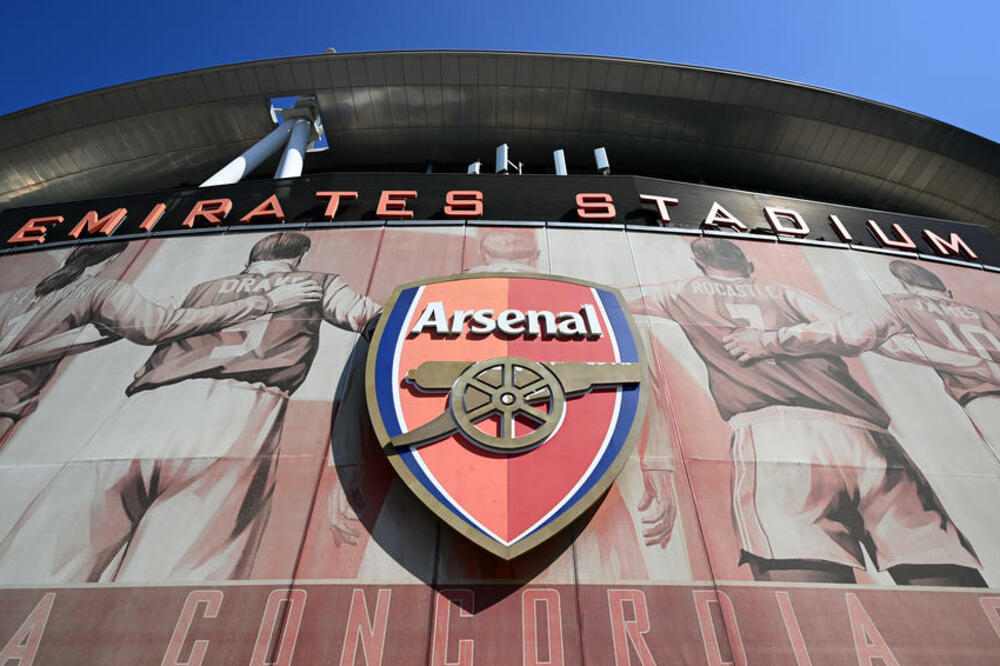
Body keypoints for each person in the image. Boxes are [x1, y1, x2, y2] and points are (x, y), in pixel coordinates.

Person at [0, 232, 380, 583]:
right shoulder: (315, 283)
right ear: (299, 258)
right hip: (240, 410)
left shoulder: (201, 288)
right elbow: (373, 317)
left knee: (48, 558)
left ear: (251, 259)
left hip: (146, 406)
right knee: (179, 573)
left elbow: (146, 326)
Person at [623, 237, 986, 586]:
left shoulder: (678, 290)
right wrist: (973, 363)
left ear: (699, 264)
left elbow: (610, 299)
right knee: (940, 569)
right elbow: (862, 334)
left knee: (807, 587)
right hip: (868, 435)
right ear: (749, 264)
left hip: (776, 436)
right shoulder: (783, 292)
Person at [0, 241, 320, 448]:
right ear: (112, 259)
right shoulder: (100, 291)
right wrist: (265, 301)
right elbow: (157, 327)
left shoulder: (11, 298)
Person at [721, 259, 1000, 453]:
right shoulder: (989, 315)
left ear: (904, 284)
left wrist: (768, 341)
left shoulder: (898, 303)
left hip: (986, 397)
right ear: (947, 291)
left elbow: (848, 333)